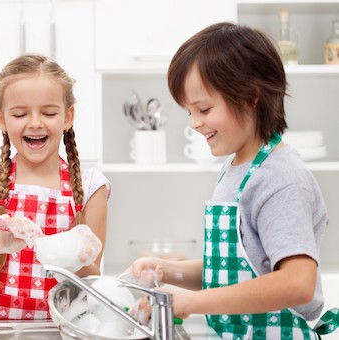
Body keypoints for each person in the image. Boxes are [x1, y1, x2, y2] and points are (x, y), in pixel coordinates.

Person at [130, 22, 338, 339]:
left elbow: (298, 282)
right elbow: (229, 274)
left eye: (203, 108)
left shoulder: (280, 176)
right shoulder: (236, 167)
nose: (194, 123)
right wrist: (164, 270)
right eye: (188, 111)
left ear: (251, 96)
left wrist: (189, 303)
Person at [0, 53, 111, 320]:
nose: (35, 122)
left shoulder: (91, 186)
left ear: (68, 117)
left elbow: (91, 278)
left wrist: (79, 256)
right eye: (19, 114)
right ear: (1, 119)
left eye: (49, 112)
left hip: (62, 333)